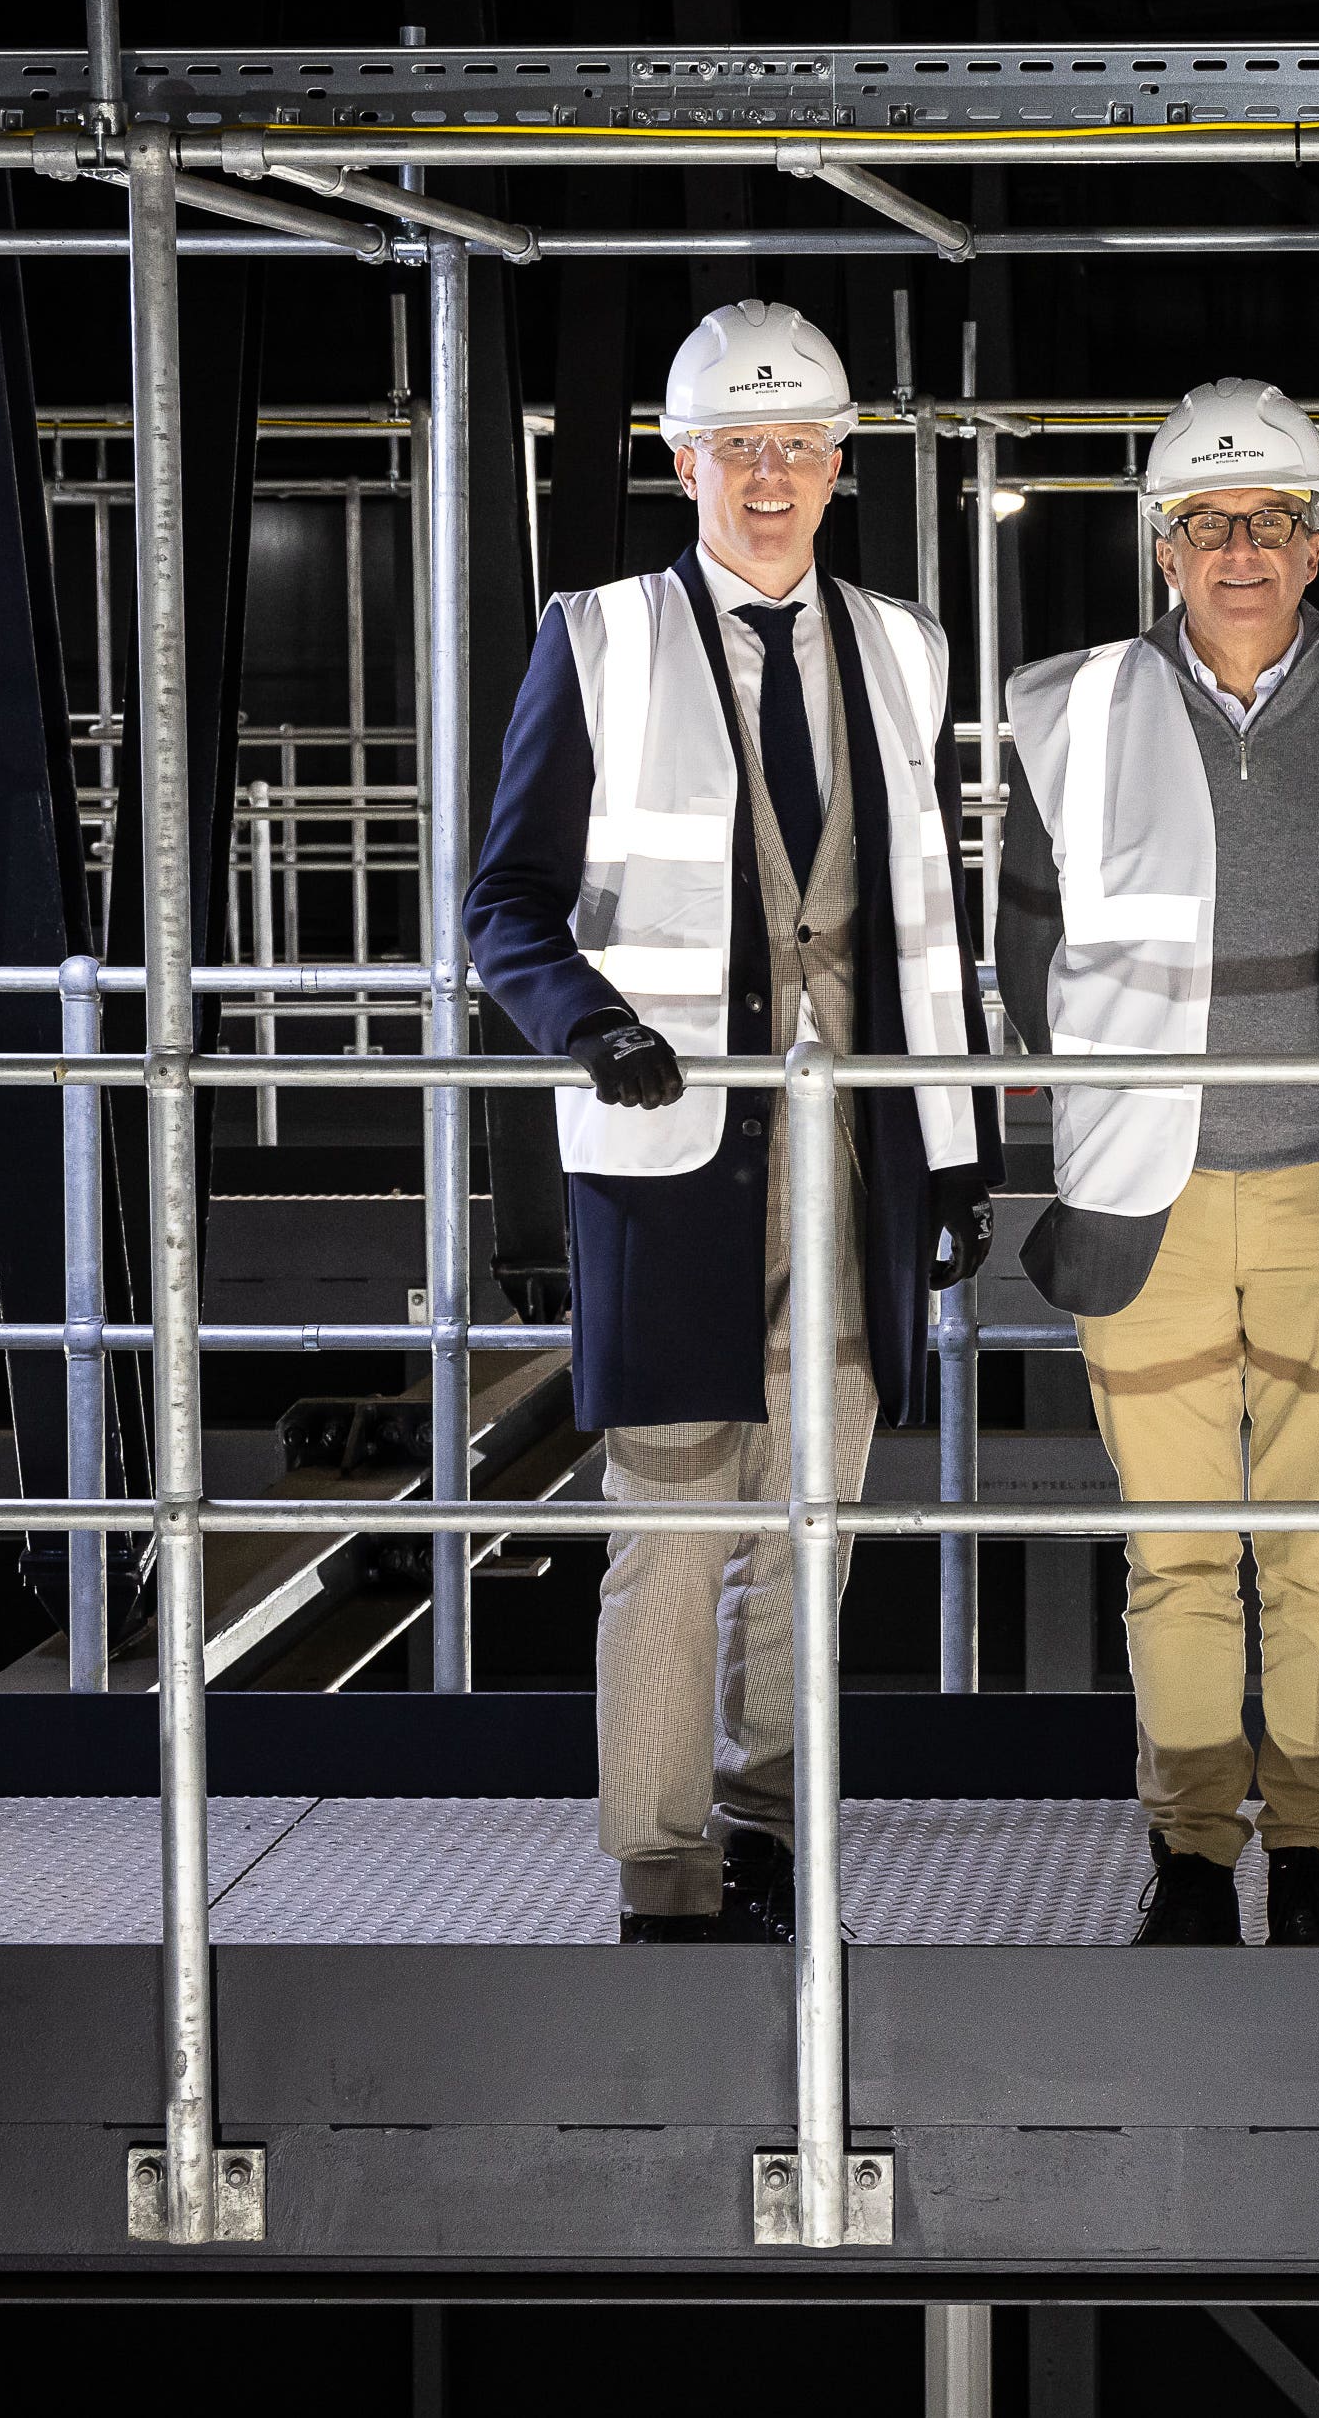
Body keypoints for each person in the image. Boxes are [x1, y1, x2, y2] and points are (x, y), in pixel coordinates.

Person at [468, 299, 998, 1945]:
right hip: (677, 1164)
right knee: (674, 1537)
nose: (769, 478)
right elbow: (506, 909)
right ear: (681, 462)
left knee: (816, 1530)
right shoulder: (604, 635)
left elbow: (927, 921)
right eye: (736, 448)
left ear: (839, 465)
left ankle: (773, 1826)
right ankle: (662, 1865)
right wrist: (594, 1026)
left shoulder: (905, 649)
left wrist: (959, 1146)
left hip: (859, 1168)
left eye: (797, 447)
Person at [999, 378, 1319, 1949]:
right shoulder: (1070, 710)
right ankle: (1192, 1855)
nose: (1239, 548)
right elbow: (1027, 954)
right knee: (1177, 1553)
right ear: (1160, 546)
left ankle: (1313, 1860)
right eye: (1205, 521)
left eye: (1271, 519)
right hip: (1150, 1199)